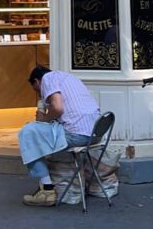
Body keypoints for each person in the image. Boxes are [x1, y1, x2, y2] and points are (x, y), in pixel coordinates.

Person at [18, 64, 100, 207]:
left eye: (37, 90)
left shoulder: (48, 79)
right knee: (37, 133)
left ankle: (47, 190)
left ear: (37, 81)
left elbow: (58, 108)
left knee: (28, 134)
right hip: (97, 132)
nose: (40, 94)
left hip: (77, 135)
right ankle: (49, 185)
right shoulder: (68, 77)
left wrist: (44, 119)